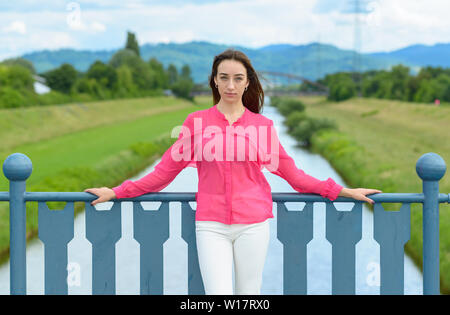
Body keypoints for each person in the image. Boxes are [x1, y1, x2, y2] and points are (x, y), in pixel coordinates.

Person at [84, 49, 382, 295]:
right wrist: (117, 191)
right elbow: (163, 173)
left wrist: (343, 190)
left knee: (249, 295)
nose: (230, 85)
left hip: (254, 224)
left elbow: (295, 176)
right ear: (214, 81)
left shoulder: (262, 128)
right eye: (223, 78)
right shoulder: (196, 123)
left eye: (237, 79)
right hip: (210, 224)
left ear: (247, 83)